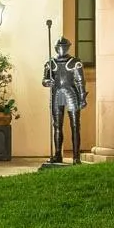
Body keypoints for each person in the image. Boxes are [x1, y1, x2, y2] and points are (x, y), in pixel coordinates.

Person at [43, 36, 87, 164]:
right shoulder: (50, 63)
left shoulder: (75, 62)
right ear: (56, 48)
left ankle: (76, 156)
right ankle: (58, 154)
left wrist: (82, 97)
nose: (61, 49)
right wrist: (48, 81)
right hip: (57, 94)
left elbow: (80, 81)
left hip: (71, 93)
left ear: (67, 47)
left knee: (75, 125)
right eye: (59, 47)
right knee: (57, 125)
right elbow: (44, 79)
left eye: (63, 47)